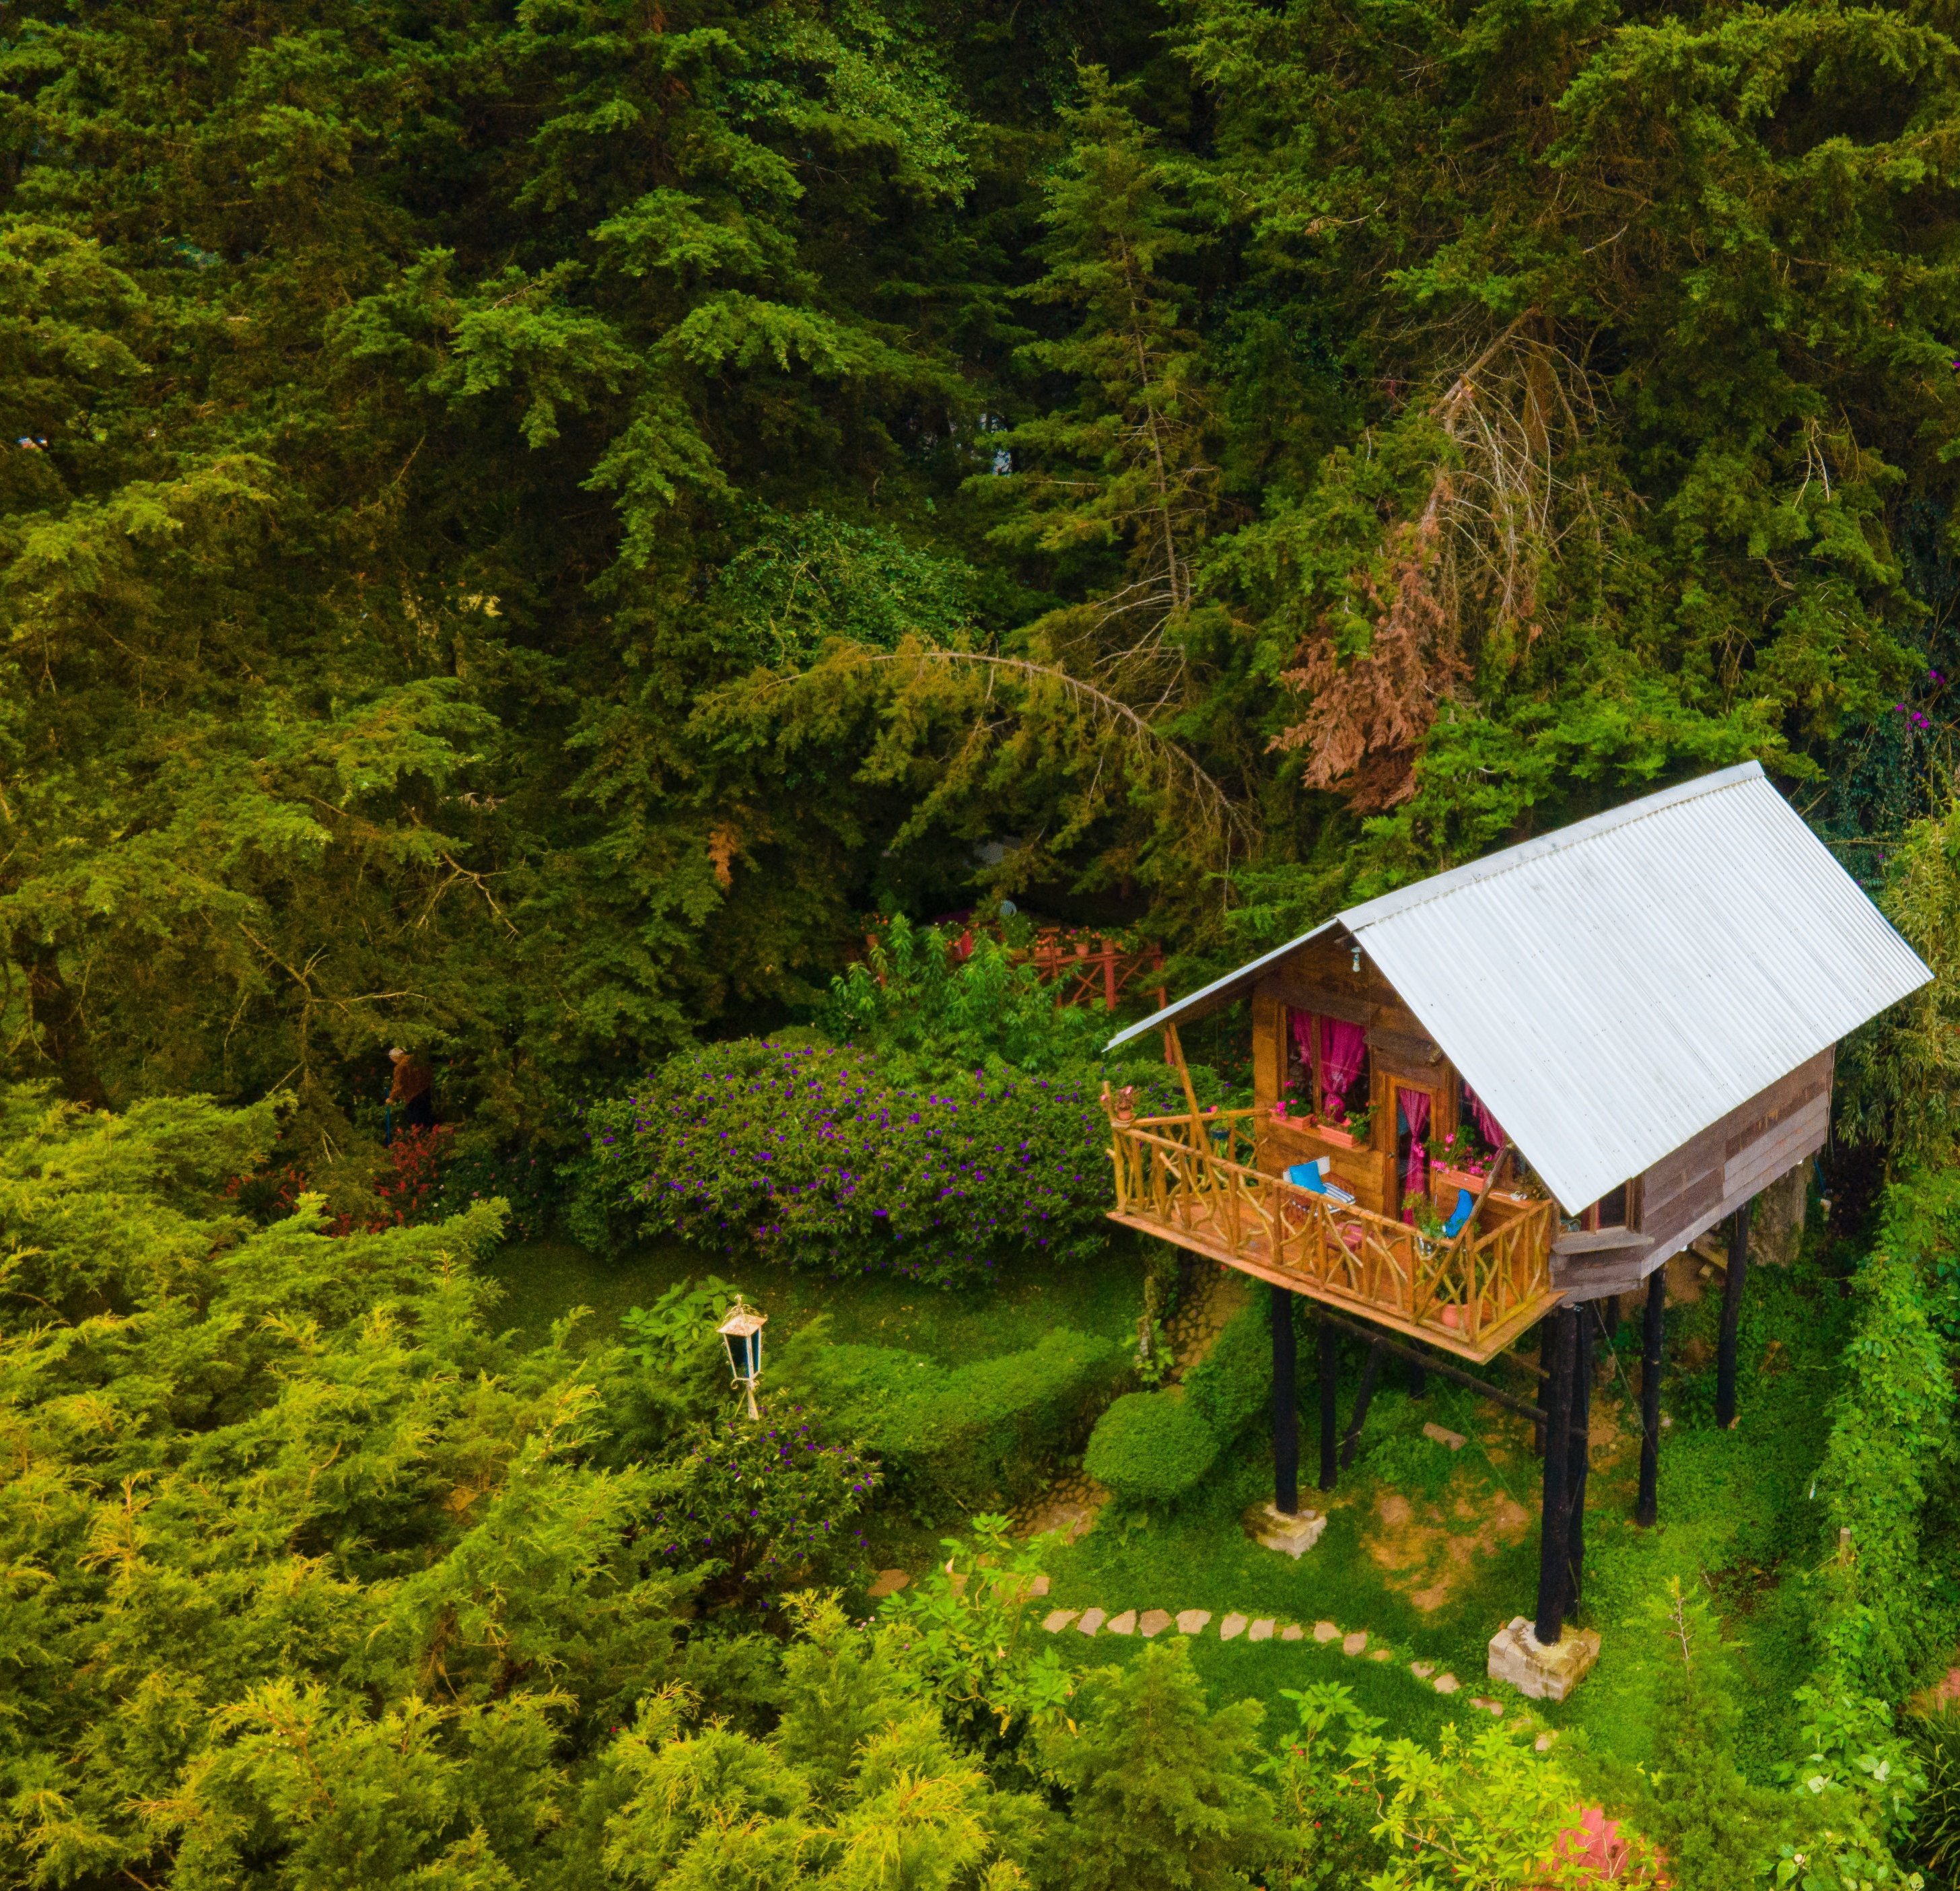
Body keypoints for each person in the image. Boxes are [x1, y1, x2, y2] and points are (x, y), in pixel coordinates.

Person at [386, 1047, 435, 1133]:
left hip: (413, 1096)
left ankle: (421, 1140)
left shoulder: (400, 1067)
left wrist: (392, 1098)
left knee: (417, 1120)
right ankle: (432, 1137)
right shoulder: (416, 1060)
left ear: (395, 1058)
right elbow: (429, 1073)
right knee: (427, 1116)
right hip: (426, 1091)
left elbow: (399, 1084)